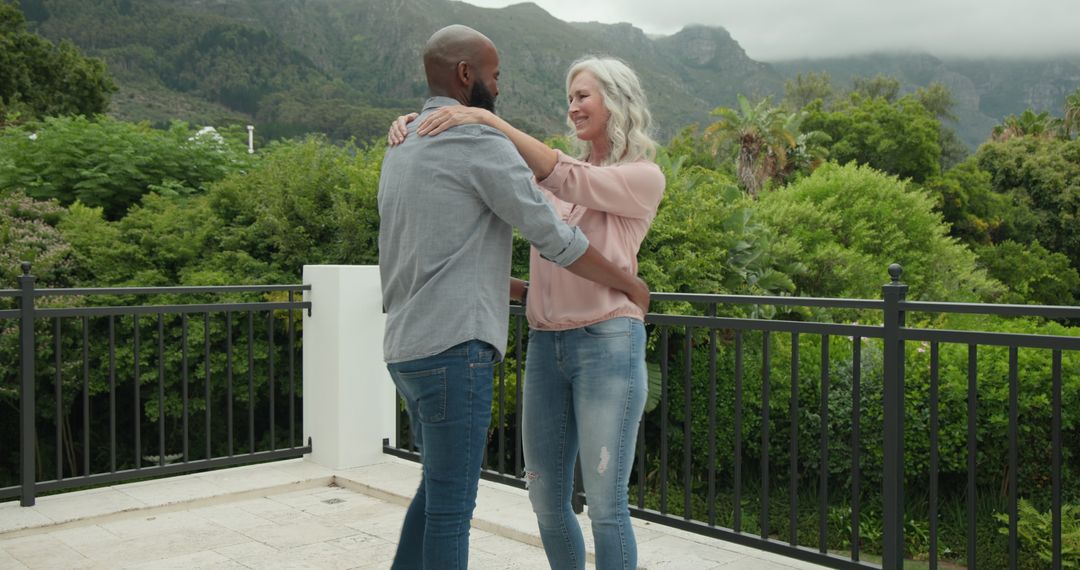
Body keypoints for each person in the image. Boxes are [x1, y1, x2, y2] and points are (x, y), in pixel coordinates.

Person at [378, 26, 650, 570]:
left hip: (599, 340)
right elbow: (550, 235)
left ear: (616, 104)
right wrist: (628, 282)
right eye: (495, 77)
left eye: (583, 96)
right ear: (466, 75)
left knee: (602, 505)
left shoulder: (641, 176)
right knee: (499, 505)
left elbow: (562, 179)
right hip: (512, 344)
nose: (572, 106)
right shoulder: (468, 144)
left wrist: (483, 122)